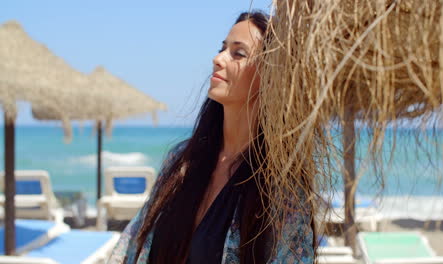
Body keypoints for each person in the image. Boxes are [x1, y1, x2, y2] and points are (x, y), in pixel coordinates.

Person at [108, 11, 314, 264]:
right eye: (222, 49)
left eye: (238, 53)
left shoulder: (282, 187)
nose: (217, 59)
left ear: (271, 77)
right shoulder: (183, 160)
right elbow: (132, 243)